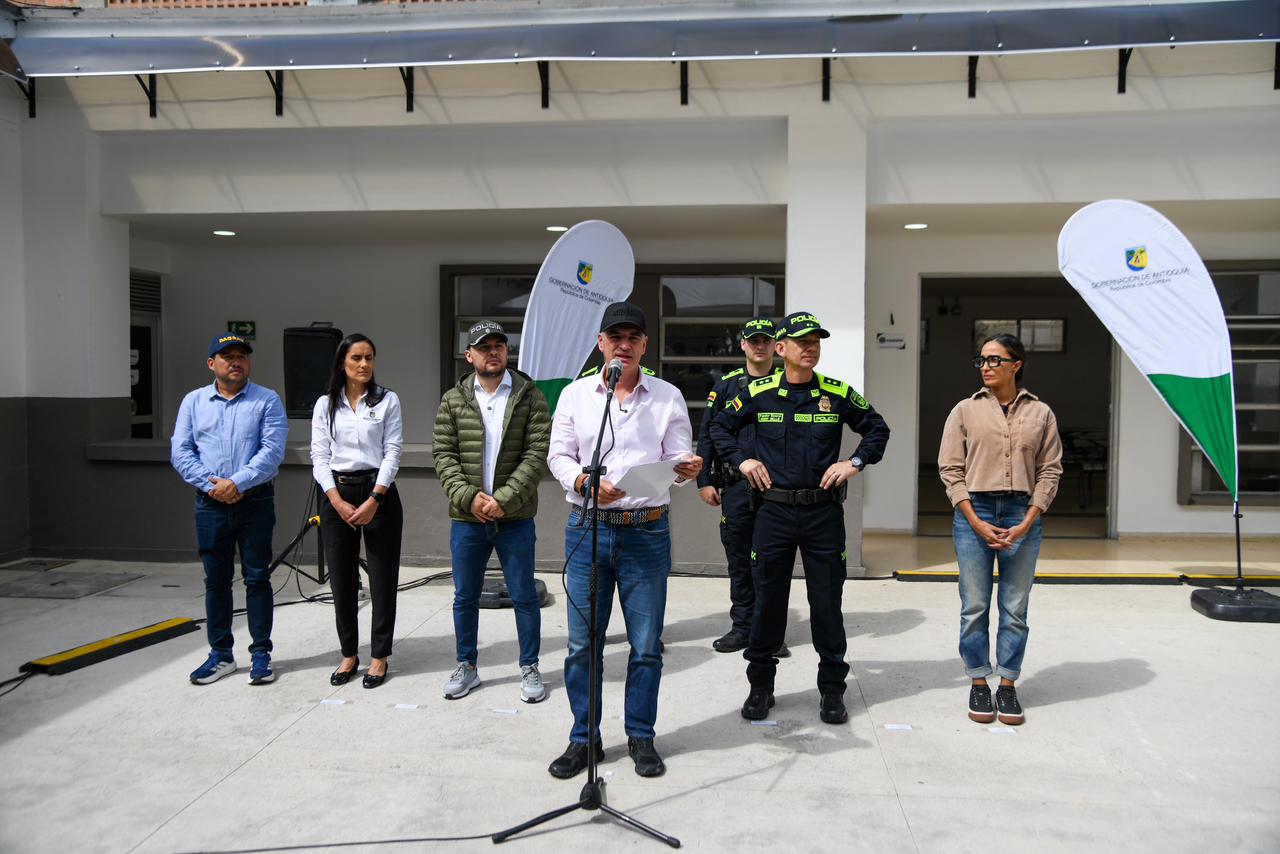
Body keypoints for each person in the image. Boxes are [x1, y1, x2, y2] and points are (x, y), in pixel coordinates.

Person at [545, 302, 702, 780]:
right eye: (616, 336)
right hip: (588, 528)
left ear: (645, 345)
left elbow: (677, 457)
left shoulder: (668, 395)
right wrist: (583, 483)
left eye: (633, 336)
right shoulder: (576, 395)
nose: (624, 344)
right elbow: (559, 455)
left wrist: (686, 469)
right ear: (601, 343)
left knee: (647, 644)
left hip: (646, 531)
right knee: (580, 645)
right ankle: (583, 739)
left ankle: (640, 735)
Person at [710, 311, 890, 725]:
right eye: (802, 341)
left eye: (816, 341)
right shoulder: (758, 392)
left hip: (823, 514)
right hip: (771, 512)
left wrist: (855, 462)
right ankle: (761, 686)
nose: (811, 348)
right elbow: (719, 426)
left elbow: (877, 429)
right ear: (781, 349)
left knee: (826, 604)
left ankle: (831, 691)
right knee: (768, 603)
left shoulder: (838, 393)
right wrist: (741, 460)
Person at [938, 334, 1062, 726]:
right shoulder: (964, 410)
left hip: (1022, 512)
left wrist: (1029, 518)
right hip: (974, 511)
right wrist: (973, 518)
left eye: (995, 359)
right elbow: (950, 469)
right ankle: (978, 680)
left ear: (1016, 364)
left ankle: (1007, 685)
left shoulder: (1041, 413)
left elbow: (1050, 470)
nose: (986, 366)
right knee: (974, 605)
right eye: (982, 360)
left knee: (1015, 608)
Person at [432, 321, 551, 704]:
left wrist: (503, 498)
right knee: (465, 597)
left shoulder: (529, 397)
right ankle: (467, 665)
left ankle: (529, 666)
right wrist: (471, 498)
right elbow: (443, 456)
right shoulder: (453, 400)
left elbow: (537, 454)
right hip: (467, 519)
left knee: (523, 596)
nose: (493, 352)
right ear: (470, 356)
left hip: (514, 518)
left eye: (499, 345)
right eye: (484, 347)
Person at [171, 333, 287, 686]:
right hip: (210, 505)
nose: (235, 362)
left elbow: (271, 452)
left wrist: (237, 482)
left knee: (257, 577)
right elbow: (181, 451)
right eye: (227, 357)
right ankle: (220, 654)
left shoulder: (266, 400)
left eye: (242, 356)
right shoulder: (193, 402)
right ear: (212, 364)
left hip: (254, 502)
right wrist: (213, 485)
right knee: (216, 580)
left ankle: (260, 655)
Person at [310, 333, 404, 689]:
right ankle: (349, 653)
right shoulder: (325, 405)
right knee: (343, 580)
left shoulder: (386, 400)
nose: (364, 365)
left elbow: (393, 450)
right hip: (337, 493)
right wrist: (335, 499)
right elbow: (319, 456)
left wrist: (374, 499)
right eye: (356, 359)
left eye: (369, 358)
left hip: (378, 494)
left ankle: (379, 656)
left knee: (382, 580)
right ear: (342, 363)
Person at [695, 316, 789, 657]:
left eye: (766, 340)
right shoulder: (726, 387)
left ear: (776, 346)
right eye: (754, 340)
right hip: (735, 488)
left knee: (772, 562)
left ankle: (771, 633)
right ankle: (743, 626)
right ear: (744, 345)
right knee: (739, 560)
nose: (760, 345)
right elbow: (707, 435)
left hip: (778, 491)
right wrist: (703, 480)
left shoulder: (787, 384)